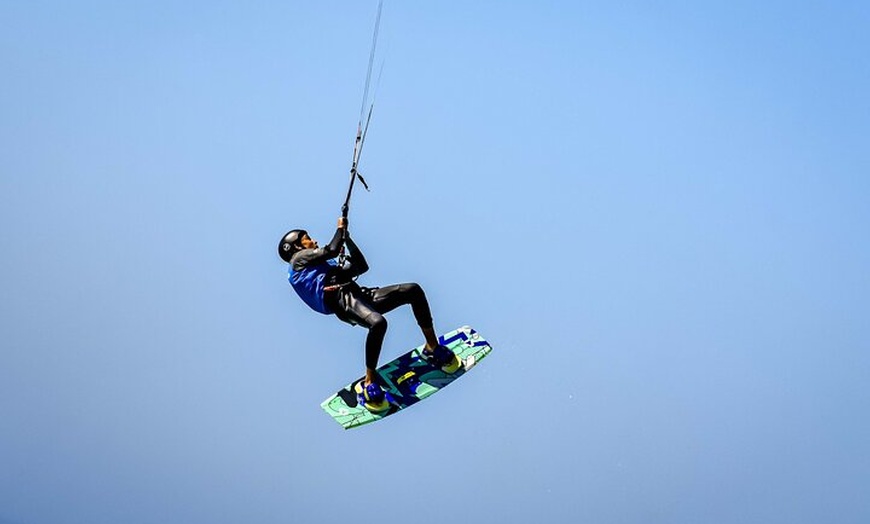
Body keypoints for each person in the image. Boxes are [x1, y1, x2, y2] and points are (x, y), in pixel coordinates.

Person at [278, 216, 460, 413]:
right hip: (343, 301)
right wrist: (340, 229)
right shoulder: (298, 260)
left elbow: (361, 266)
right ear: (297, 247)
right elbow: (331, 249)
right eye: (307, 238)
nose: (313, 240)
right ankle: (369, 381)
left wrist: (347, 239)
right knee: (378, 323)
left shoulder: (324, 264)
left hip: (359, 295)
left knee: (412, 290)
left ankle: (432, 347)